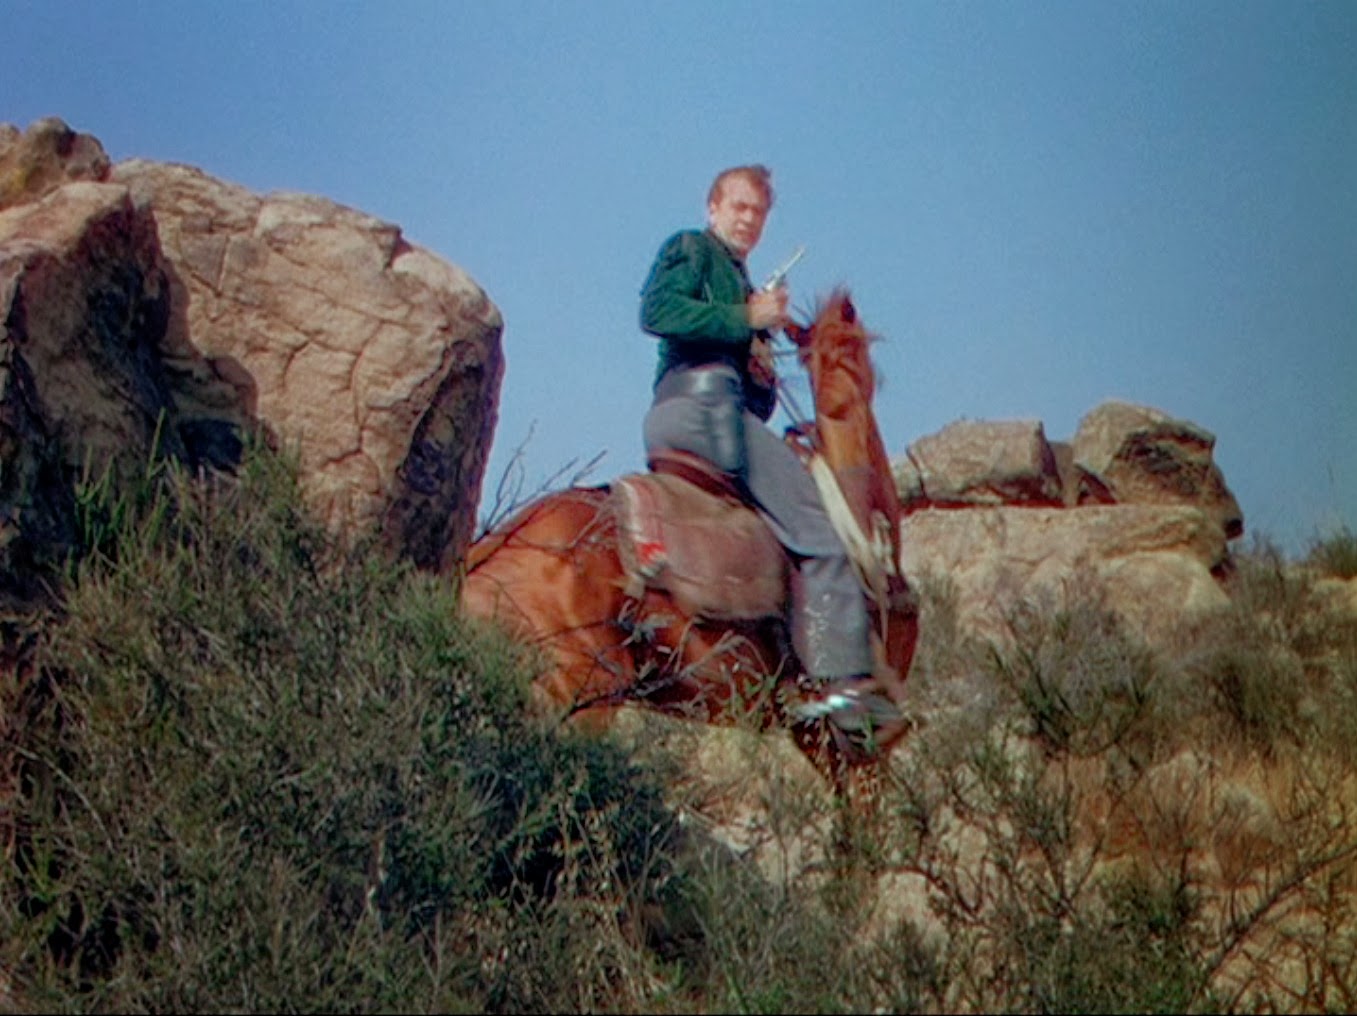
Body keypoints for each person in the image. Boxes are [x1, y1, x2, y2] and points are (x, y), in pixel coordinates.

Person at [638, 164, 903, 750]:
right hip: (705, 413)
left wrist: (756, 360)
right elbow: (656, 312)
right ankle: (846, 694)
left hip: (707, 412)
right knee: (820, 531)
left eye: (757, 212)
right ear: (712, 208)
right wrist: (745, 319)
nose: (748, 219)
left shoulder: (738, 277)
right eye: (738, 207)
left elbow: (749, 390)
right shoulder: (690, 247)